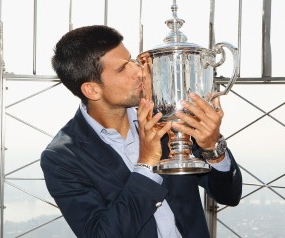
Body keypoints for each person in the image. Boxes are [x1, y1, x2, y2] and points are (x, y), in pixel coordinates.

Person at [40, 25, 242, 238]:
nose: (139, 71)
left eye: (132, 61)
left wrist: (213, 149)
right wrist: (146, 164)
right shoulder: (62, 157)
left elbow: (229, 195)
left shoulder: (168, 118)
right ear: (91, 89)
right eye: (122, 68)